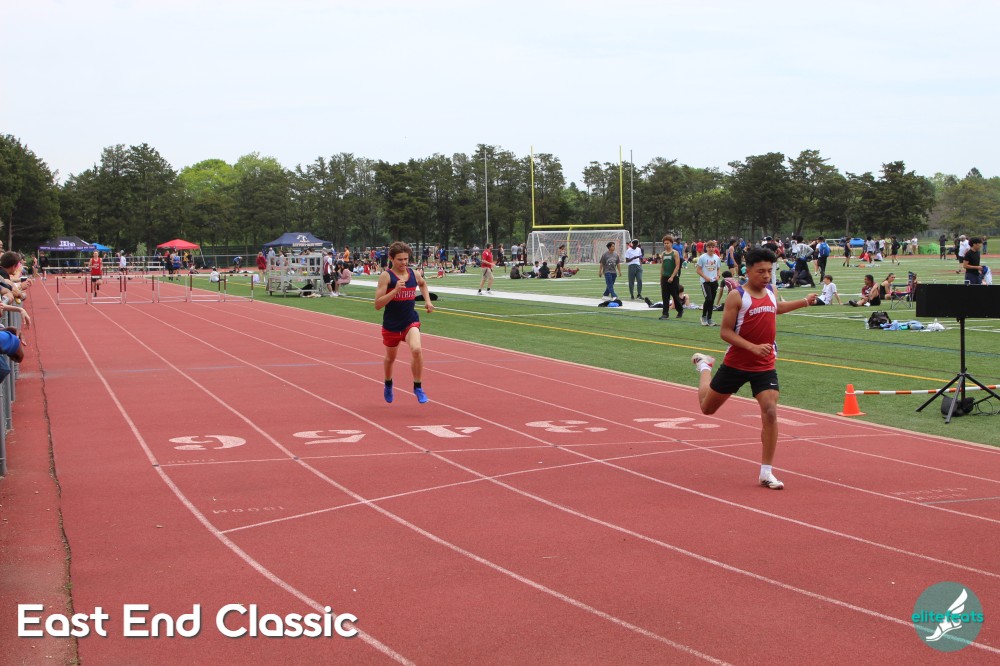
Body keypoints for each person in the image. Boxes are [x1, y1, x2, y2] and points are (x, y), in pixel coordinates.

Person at [692, 247, 817, 490]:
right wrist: (752, 347)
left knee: (770, 411)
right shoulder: (736, 296)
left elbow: (776, 308)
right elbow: (725, 332)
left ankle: (766, 472)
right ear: (747, 271)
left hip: (764, 364)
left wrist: (804, 302)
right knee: (707, 408)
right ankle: (704, 366)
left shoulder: (771, 290)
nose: (766, 275)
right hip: (737, 363)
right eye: (761, 271)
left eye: (769, 271)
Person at [374, 241, 433, 404]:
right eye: (400, 259)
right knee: (390, 359)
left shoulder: (414, 274)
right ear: (391, 258)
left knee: (417, 349)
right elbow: (377, 304)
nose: (404, 262)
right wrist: (395, 291)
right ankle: (388, 383)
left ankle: (418, 386)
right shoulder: (386, 276)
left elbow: (423, 284)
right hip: (392, 325)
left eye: (406, 259)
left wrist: (428, 301)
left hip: (410, 321)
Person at [696, 240, 721, 326]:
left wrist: (718, 276)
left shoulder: (717, 258)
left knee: (712, 300)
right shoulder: (702, 257)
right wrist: (705, 277)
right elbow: (698, 270)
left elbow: (718, 269)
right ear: (706, 248)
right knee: (708, 298)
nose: (711, 249)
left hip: (714, 282)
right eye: (709, 247)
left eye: (713, 247)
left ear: (715, 248)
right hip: (705, 282)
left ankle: (709, 318)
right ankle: (703, 316)